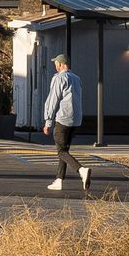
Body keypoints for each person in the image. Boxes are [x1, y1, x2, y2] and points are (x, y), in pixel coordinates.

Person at [40, 51, 88, 192]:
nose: (55, 66)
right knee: (65, 150)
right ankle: (59, 180)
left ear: (61, 64)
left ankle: (82, 170)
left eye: (56, 64)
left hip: (63, 118)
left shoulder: (59, 78)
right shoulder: (76, 78)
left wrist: (48, 122)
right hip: (76, 119)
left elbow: (52, 100)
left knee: (61, 151)